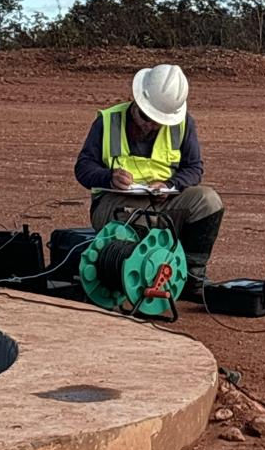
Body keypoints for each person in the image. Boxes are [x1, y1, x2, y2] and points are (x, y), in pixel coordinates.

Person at [73, 63, 223, 301]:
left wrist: (171, 185)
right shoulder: (108, 121)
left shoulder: (184, 124)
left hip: (162, 201)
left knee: (208, 201)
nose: (149, 125)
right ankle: (134, 276)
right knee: (137, 218)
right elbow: (82, 168)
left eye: (158, 121)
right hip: (115, 203)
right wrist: (108, 178)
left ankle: (191, 278)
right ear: (135, 101)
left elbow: (194, 168)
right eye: (146, 116)